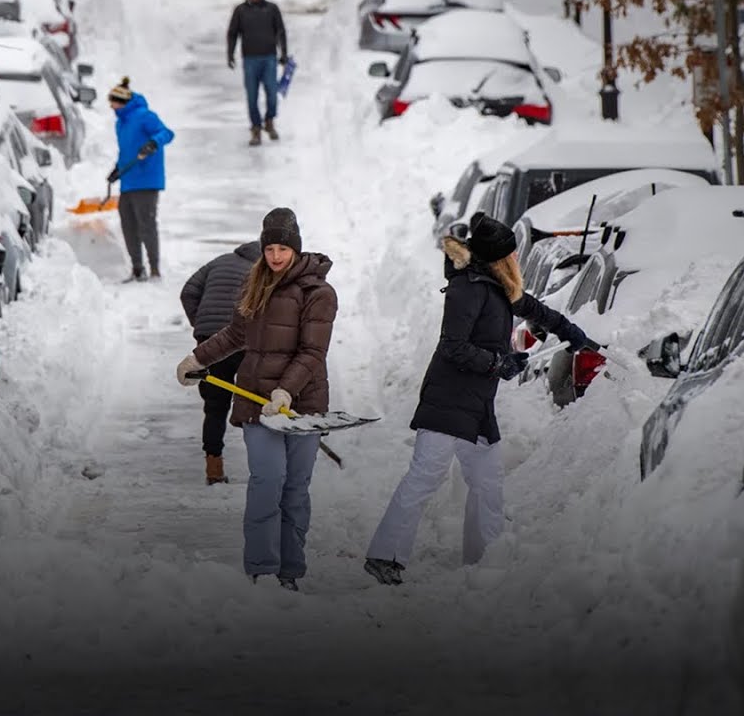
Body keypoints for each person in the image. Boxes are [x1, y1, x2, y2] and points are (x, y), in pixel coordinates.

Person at [364, 213, 596, 585]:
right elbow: (452, 346)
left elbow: (532, 308)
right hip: (448, 398)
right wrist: (498, 363)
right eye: (513, 255)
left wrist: (568, 330)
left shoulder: (496, 284)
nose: (518, 261)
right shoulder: (467, 288)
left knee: (487, 480)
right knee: (426, 476)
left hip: (476, 403)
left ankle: (485, 557)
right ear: (499, 259)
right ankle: (384, 555)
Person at [174, 208, 336, 591]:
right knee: (267, 481)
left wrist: (287, 391)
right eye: (270, 249)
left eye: (283, 248)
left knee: (295, 490)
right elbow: (234, 334)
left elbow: (313, 352)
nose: (276, 256)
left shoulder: (319, 293)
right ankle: (262, 569)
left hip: (302, 408)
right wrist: (197, 358)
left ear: (295, 248)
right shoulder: (255, 284)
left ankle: (290, 571)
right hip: (256, 401)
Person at [181, 241, 262, 485]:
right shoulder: (261, 271)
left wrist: (202, 327)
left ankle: (213, 466)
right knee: (255, 400)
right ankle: (263, 466)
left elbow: (188, 292)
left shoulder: (219, 261)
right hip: (243, 339)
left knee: (215, 404)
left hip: (210, 340)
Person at [107, 77, 175, 282]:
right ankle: (137, 268)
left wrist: (153, 144)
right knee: (128, 225)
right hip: (128, 180)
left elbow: (167, 133)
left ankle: (154, 269)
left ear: (122, 101)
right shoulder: (120, 122)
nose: (111, 106)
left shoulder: (144, 116)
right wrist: (117, 169)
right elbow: (125, 151)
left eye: (113, 101)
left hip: (146, 180)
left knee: (146, 225)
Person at [226, 0, 288, 147]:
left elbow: (280, 31)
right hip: (250, 60)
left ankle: (269, 120)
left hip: (269, 59)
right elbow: (233, 33)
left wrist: (284, 53)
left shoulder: (272, 9)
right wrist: (230, 54)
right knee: (252, 96)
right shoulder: (240, 11)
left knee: (272, 93)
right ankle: (255, 128)